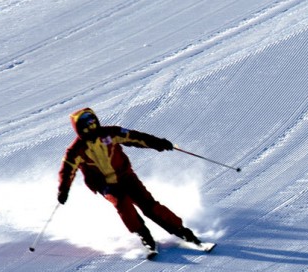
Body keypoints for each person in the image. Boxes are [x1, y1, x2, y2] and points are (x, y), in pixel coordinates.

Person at [57, 107, 201, 255]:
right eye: (87, 125)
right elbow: (67, 170)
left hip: (126, 177)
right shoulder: (76, 150)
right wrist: (64, 190)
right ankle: (144, 235)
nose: (92, 127)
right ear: (80, 128)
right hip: (106, 185)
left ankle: (180, 230)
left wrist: (158, 143)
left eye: (93, 123)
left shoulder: (110, 133)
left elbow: (135, 137)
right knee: (123, 205)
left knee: (149, 205)